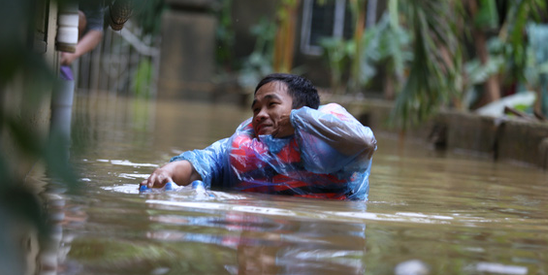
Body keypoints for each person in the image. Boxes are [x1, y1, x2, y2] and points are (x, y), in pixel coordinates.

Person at [141, 73, 377, 200]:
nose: (261, 115)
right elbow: (201, 163)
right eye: (256, 109)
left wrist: (300, 119)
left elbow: (365, 143)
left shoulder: (328, 137)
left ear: (302, 108)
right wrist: (166, 172)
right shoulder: (248, 146)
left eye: (271, 105)